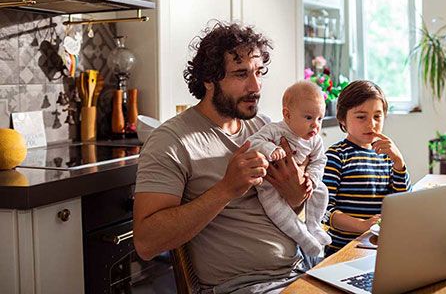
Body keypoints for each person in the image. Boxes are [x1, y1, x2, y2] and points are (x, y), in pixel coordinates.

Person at [133, 20, 317, 293]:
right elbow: (146, 243)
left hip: (301, 272)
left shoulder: (265, 127)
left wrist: (295, 197)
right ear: (209, 79)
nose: (255, 86)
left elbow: (290, 210)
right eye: (241, 74)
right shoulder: (171, 141)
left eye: (258, 72)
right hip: (245, 287)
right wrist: (226, 189)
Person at [322, 80, 412, 256]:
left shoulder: (387, 156)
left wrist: (399, 163)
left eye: (377, 116)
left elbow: (403, 204)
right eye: (361, 117)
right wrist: (362, 225)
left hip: (379, 250)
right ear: (342, 119)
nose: (371, 124)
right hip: (342, 252)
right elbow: (324, 211)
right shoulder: (335, 156)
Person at [247, 81, 331, 257]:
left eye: (320, 118)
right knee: (278, 211)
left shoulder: (315, 140)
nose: (315, 125)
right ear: (287, 114)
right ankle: (303, 238)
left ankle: (313, 225)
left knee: (322, 190)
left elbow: (319, 161)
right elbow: (253, 143)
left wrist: (312, 178)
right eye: (309, 118)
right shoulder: (275, 130)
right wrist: (271, 149)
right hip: (269, 186)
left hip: (302, 183)